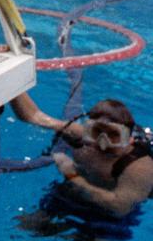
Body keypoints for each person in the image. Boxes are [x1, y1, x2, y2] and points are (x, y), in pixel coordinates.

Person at [10, 93, 153, 221]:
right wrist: (13, 83)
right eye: (97, 131)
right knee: (26, 225)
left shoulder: (139, 167)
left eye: (114, 134)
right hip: (73, 193)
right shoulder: (81, 136)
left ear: (129, 139)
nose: (103, 141)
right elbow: (34, 117)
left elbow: (119, 207)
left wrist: (72, 176)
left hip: (109, 215)